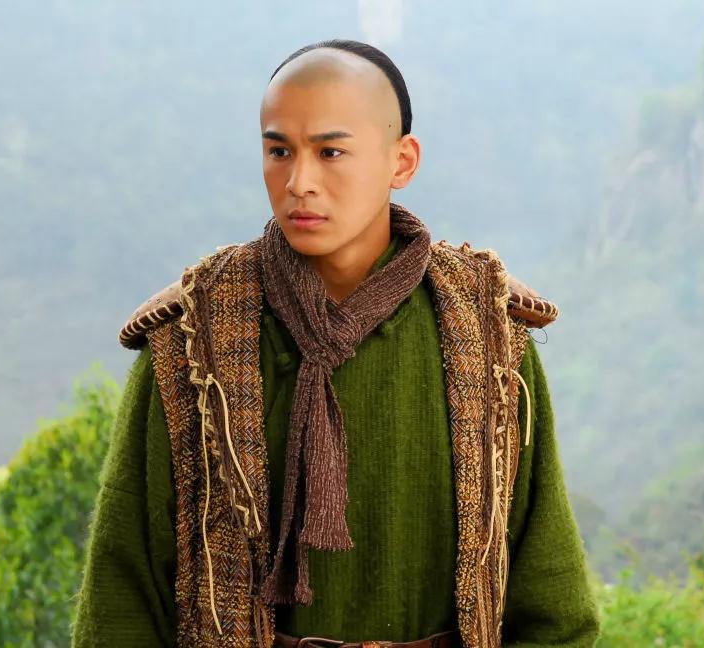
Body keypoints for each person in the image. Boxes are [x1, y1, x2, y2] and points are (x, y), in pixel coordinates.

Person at [71, 39, 600, 648]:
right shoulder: (193, 345)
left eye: (331, 152)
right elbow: (123, 597)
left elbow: (553, 603)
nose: (299, 182)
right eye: (279, 151)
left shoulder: (490, 340)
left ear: (402, 161)